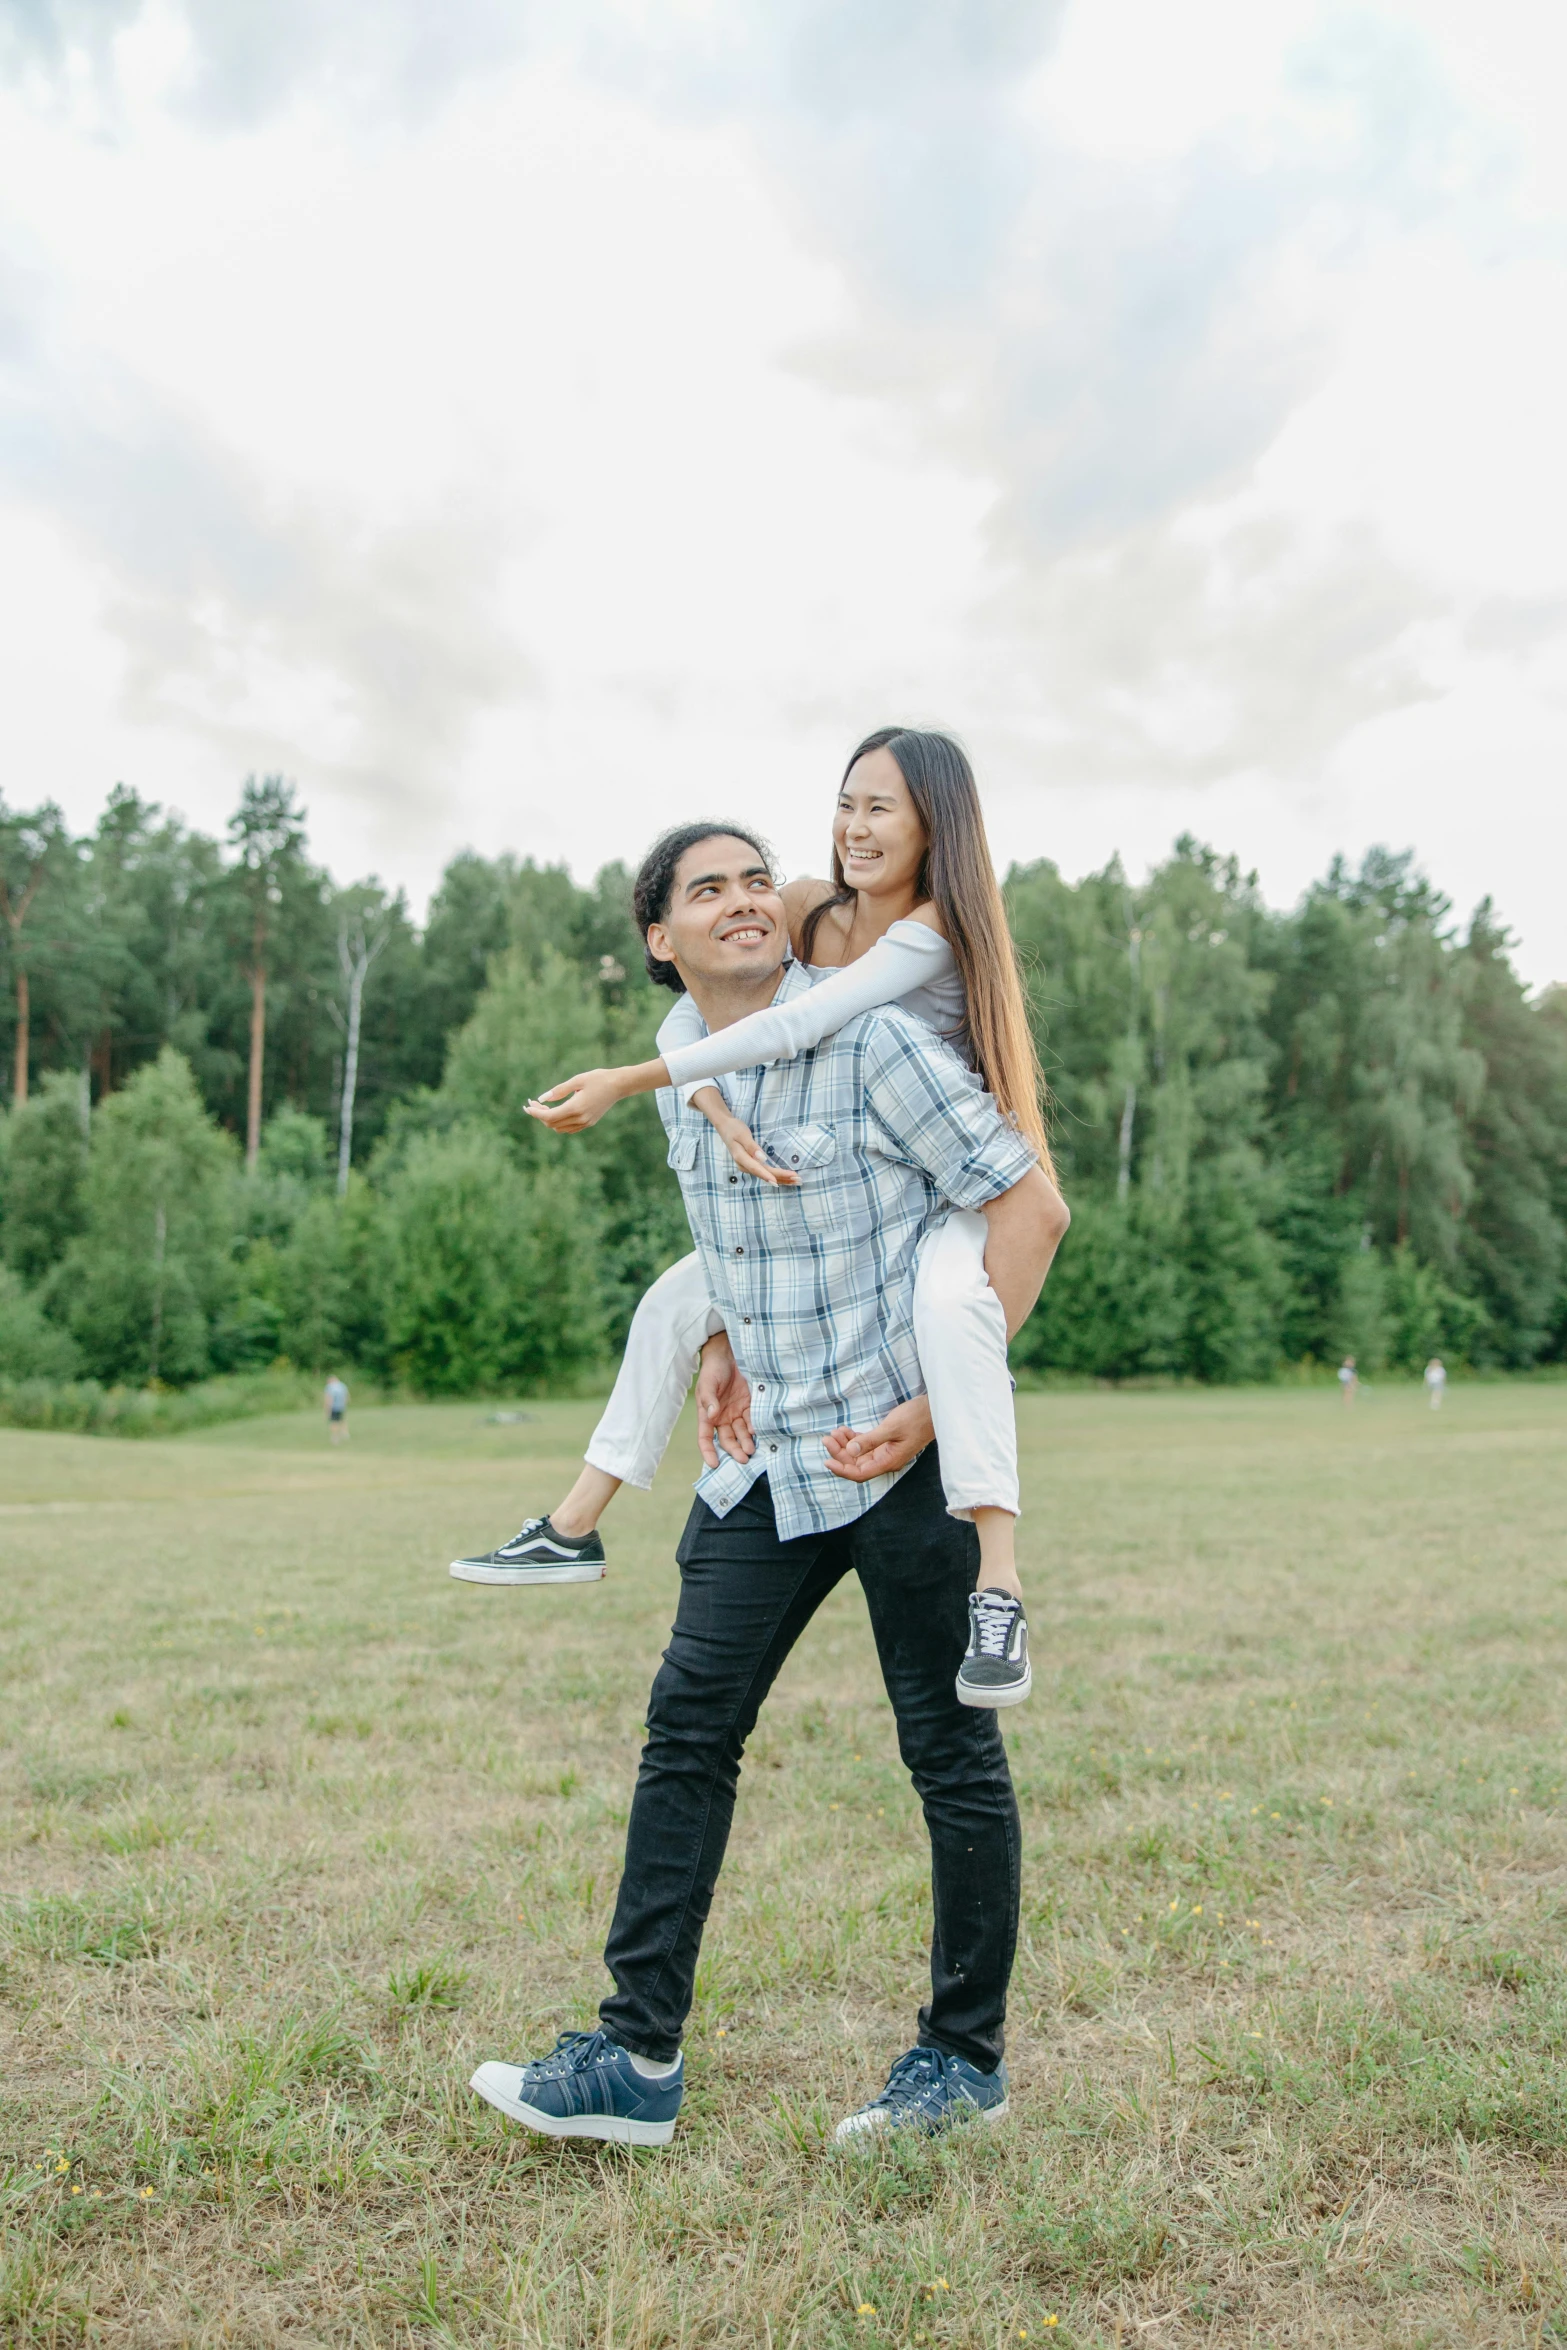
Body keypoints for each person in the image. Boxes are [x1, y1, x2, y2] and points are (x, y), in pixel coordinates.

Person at [467, 822, 1068, 2149]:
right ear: (657, 938)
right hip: (764, 1470)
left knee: (947, 1755)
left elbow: (1025, 1207)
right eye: (706, 888)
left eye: (755, 877)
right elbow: (737, 1238)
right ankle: (633, 2058)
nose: (744, 899)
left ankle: (958, 2061)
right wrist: (724, 1341)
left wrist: (931, 1412)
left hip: (892, 1467)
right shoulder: (691, 1070)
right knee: (685, 1728)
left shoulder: (872, 1038)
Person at [449, 729, 1052, 1707]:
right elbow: (697, 1016)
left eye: (882, 808)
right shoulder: (807, 906)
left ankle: (1000, 1577)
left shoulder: (933, 929)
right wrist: (709, 1110)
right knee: (670, 1308)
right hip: (822, 1257)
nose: (854, 827)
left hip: (946, 1201)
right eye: (846, 802)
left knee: (951, 1318)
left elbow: (804, 1022)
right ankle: (569, 1525)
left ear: (935, 824)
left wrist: (637, 1081)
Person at [323, 1373, 349, 1444]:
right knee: (342, 1420)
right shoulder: (342, 1385)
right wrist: (344, 1405)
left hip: (333, 1407)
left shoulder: (329, 1387)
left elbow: (328, 1399)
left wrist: (327, 1409)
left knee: (333, 1422)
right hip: (341, 1406)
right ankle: (345, 1434)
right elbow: (346, 1397)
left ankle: (335, 1437)